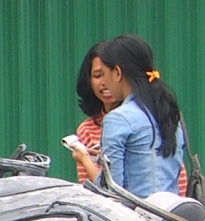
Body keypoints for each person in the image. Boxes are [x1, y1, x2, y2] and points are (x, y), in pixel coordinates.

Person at [66, 35, 188, 199]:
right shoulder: (168, 113)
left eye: (105, 73)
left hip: (136, 218)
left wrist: (85, 159)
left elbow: (112, 190)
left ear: (117, 73)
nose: (104, 82)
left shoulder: (117, 119)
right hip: (171, 215)